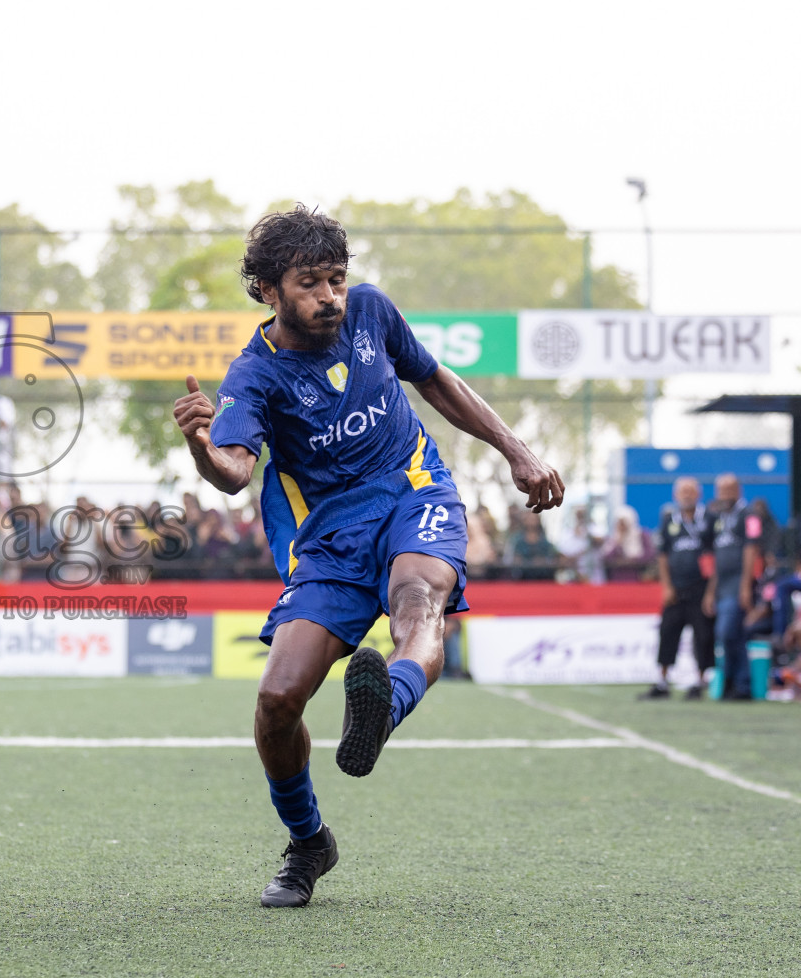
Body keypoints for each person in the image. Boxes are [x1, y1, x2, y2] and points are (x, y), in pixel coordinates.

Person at [172, 206, 562, 909]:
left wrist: (517, 450)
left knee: (420, 600)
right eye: (310, 283)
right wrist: (202, 446)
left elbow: (436, 380)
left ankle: (385, 708)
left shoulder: (372, 313)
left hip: (414, 489)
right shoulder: (254, 376)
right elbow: (233, 472)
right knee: (276, 701)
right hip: (328, 537)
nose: (329, 297)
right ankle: (309, 842)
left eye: (337, 280)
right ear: (268, 290)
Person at [641, 478, 713, 699]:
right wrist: (666, 586)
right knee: (668, 632)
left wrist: (711, 591)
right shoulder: (668, 519)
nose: (687, 495)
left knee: (703, 635)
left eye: (691, 491)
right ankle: (662, 681)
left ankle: (700, 682)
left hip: (701, 587)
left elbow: (714, 556)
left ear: (699, 494)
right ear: (675, 495)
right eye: (683, 491)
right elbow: (662, 556)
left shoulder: (709, 519)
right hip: (676, 587)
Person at [702, 473, 761, 699]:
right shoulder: (718, 518)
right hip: (722, 583)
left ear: (739, 491)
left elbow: (751, 549)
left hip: (739, 581)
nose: (725, 495)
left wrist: (746, 585)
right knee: (733, 635)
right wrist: (710, 591)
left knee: (726, 631)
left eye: (729, 490)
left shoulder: (749, 515)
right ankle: (739, 685)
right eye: (721, 491)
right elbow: (716, 557)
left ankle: (734, 680)